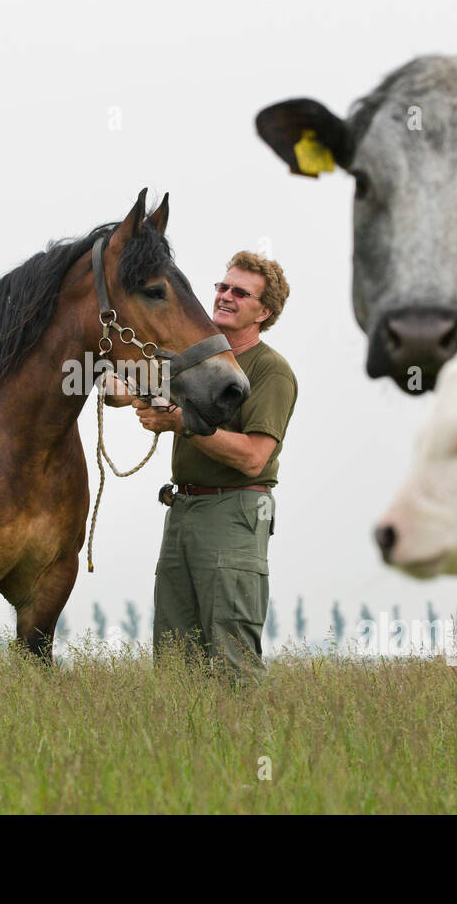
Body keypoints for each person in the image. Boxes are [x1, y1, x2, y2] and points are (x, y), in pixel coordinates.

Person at [133, 251, 297, 682]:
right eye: (222, 287)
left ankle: (251, 748)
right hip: (182, 510)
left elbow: (253, 457)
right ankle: (183, 748)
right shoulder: (194, 361)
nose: (225, 296)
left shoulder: (271, 371)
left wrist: (183, 424)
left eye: (240, 292)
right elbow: (123, 389)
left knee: (233, 660)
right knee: (173, 660)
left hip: (234, 513)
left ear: (264, 312)